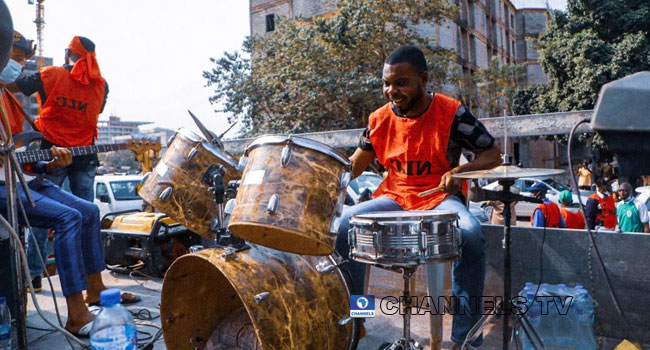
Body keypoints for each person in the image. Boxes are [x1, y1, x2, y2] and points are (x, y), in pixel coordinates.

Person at [335, 45, 502, 349]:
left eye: (401, 83)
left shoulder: (452, 112)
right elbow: (353, 167)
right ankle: (357, 321)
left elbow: (493, 154)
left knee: (471, 234)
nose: (391, 91)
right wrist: (328, 178)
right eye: (387, 83)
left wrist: (462, 172)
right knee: (346, 224)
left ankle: (466, 337)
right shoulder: (379, 119)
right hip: (395, 196)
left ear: (423, 80)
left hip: (439, 198)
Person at [0, 31, 137, 336]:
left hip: (36, 168)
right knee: (67, 217)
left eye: (22, 61)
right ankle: (76, 312)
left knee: (88, 211)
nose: (18, 69)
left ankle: (95, 289)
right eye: (14, 60)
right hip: (9, 184)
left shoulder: (11, 97)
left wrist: (48, 164)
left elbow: (21, 153)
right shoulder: (99, 85)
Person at [9, 35, 108, 202]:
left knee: (44, 206)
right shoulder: (101, 85)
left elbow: (10, 84)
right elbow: (97, 112)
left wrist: (21, 59)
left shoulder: (51, 74)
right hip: (85, 153)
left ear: (68, 52)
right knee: (85, 209)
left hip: (50, 149)